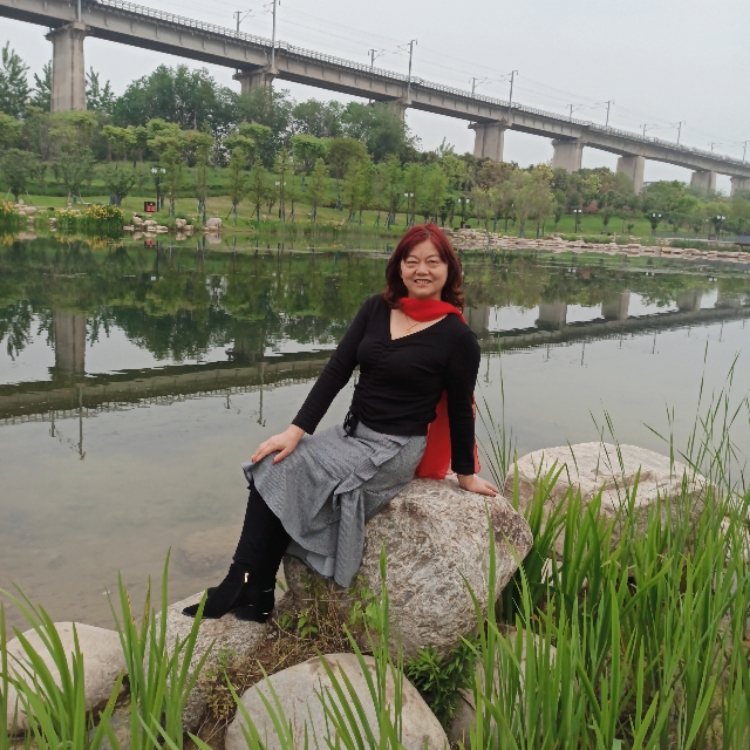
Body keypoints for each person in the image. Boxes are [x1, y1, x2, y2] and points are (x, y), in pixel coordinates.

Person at [183, 224, 499, 622]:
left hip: (394, 449)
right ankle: (256, 589)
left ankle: (240, 584)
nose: (422, 270)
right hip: (352, 434)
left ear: (449, 270)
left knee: (292, 474)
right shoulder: (376, 308)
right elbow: (337, 370)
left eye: (432, 262)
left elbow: (459, 409)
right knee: (276, 461)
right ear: (399, 268)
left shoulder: (458, 337)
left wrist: (466, 474)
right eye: (412, 261)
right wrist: (295, 432)